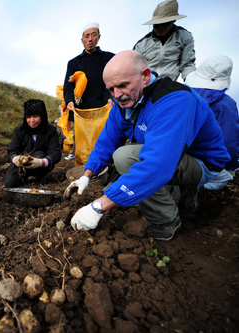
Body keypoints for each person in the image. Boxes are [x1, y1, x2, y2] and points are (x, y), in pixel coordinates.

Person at [64, 51, 229, 241]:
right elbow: (106, 142)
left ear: (145, 76)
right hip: (172, 157)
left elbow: (157, 165)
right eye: (111, 89)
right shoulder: (124, 103)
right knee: (123, 160)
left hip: (201, 162)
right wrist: (87, 175)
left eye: (123, 85)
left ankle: (167, 220)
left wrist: (98, 206)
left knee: (126, 158)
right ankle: (178, 193)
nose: (117, 95)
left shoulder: (174, 99)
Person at [62, 22, 115, 160]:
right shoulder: (73, 63)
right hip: (81, 106)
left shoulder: (109, 58)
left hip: (101, 105)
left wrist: (109, 97)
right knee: (80, 136)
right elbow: (68, 85)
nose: (90, 39)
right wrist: (69, 101)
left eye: (93, 35)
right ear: (82, 40)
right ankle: (79, 157)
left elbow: (111, 81)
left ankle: (104, 160)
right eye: (87, 36)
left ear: (99, 37)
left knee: (102, 135)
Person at [186, 55, 239, 189]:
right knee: (224, 177)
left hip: (178, 160)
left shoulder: (184, 95)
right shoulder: (226, 105)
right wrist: (230, 167)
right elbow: (229, 140)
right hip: (207, 165)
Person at [4, 99, 62, 188]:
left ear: (42, 116)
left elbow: (55, 153)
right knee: (9, 183)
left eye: (35, 116)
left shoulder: (50, 130)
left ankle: (39, 177)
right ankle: (26, 175)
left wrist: (40, 162)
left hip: (40, 163)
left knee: (39, 153)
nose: (32, 120)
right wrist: (16, 159)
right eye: (28, 117)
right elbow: (12, 150)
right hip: (22, 163)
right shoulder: (19, 130)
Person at [134, 0, 196, 82]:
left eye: (164, 24)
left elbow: (187, 65)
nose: (160, 28)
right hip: (146, 85)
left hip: (169, 85)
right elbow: (134, 68)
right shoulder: (141, 44)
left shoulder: (184, 37)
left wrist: (193, 82)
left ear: (174, 21)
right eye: (156, 25)